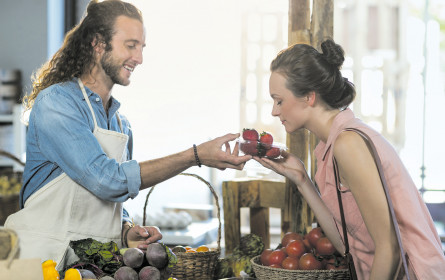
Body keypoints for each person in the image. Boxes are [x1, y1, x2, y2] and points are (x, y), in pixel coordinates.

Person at [4, 0, 251, 270]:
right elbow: (106, 180)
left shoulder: (122, 124)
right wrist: (194, 156)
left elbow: (113, 203)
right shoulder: (57, 103)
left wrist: (125, 231)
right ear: (98, 43)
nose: (139, 58)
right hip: (39, 262)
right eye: (131, 45)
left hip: (94, 267)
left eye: (142, 48)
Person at [255, 39, 445, 279]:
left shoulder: (348, 143)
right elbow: (347, 245)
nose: (274, 111)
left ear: (308, 97)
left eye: (279, 100)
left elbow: (390, 249)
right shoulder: (331, 145)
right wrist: (301, 178)